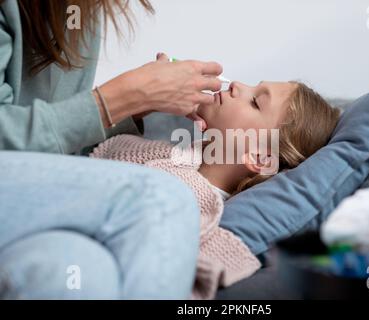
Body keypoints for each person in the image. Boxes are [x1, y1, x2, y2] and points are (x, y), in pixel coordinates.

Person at [0, 0, 223, 299]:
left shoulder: (79, 11)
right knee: (161, 199)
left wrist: (134, 107)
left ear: (259, 158)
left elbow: (51, 157)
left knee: (78, 269)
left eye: (256, 102)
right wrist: (118, 99)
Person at [88, 80, 341, 299]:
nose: (237, 85)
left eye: (255, 102)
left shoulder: (198, 210)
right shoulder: (167, 155)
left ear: (260, 157)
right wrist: (137, 105)